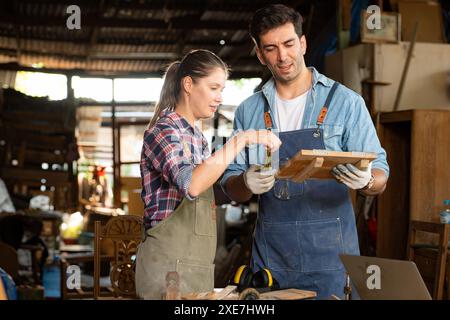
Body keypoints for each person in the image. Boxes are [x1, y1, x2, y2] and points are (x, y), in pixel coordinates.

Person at [220, 4, 389, 299]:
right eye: (271, 48)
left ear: (303, 43)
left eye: (288, 44)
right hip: (272, 260)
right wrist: (245, 182)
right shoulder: (249, 111)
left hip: (333, 259)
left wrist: (367, 182)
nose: (282, 56)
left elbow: (381, 175)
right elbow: (230, 187)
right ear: (260, 54)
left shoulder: (346, 102)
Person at [135, 49, 281, 299]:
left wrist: (245, 182)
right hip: (166, 273)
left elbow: (205, 195)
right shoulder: (163, 131)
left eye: (222, 90)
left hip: (197, 270)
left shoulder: (199, 140)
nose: (219, 98)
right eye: (214, 88)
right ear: (189, 84)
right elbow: (190, 185)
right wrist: (241, 139)